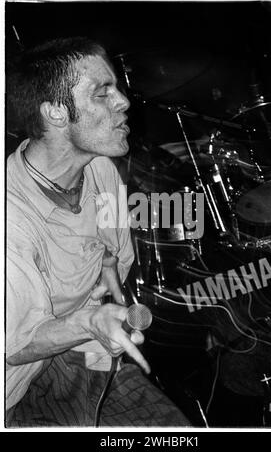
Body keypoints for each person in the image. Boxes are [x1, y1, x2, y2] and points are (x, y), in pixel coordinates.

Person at [6, 37, 191, 427]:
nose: (123, 101)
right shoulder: (11, 221)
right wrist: (89, 322)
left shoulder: (99, 169)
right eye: (103, 93)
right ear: (56, 113)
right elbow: (14, 345)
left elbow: (110, 252)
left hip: (80, 353)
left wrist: (105, 280)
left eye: (116, 88)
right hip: (15, 392)